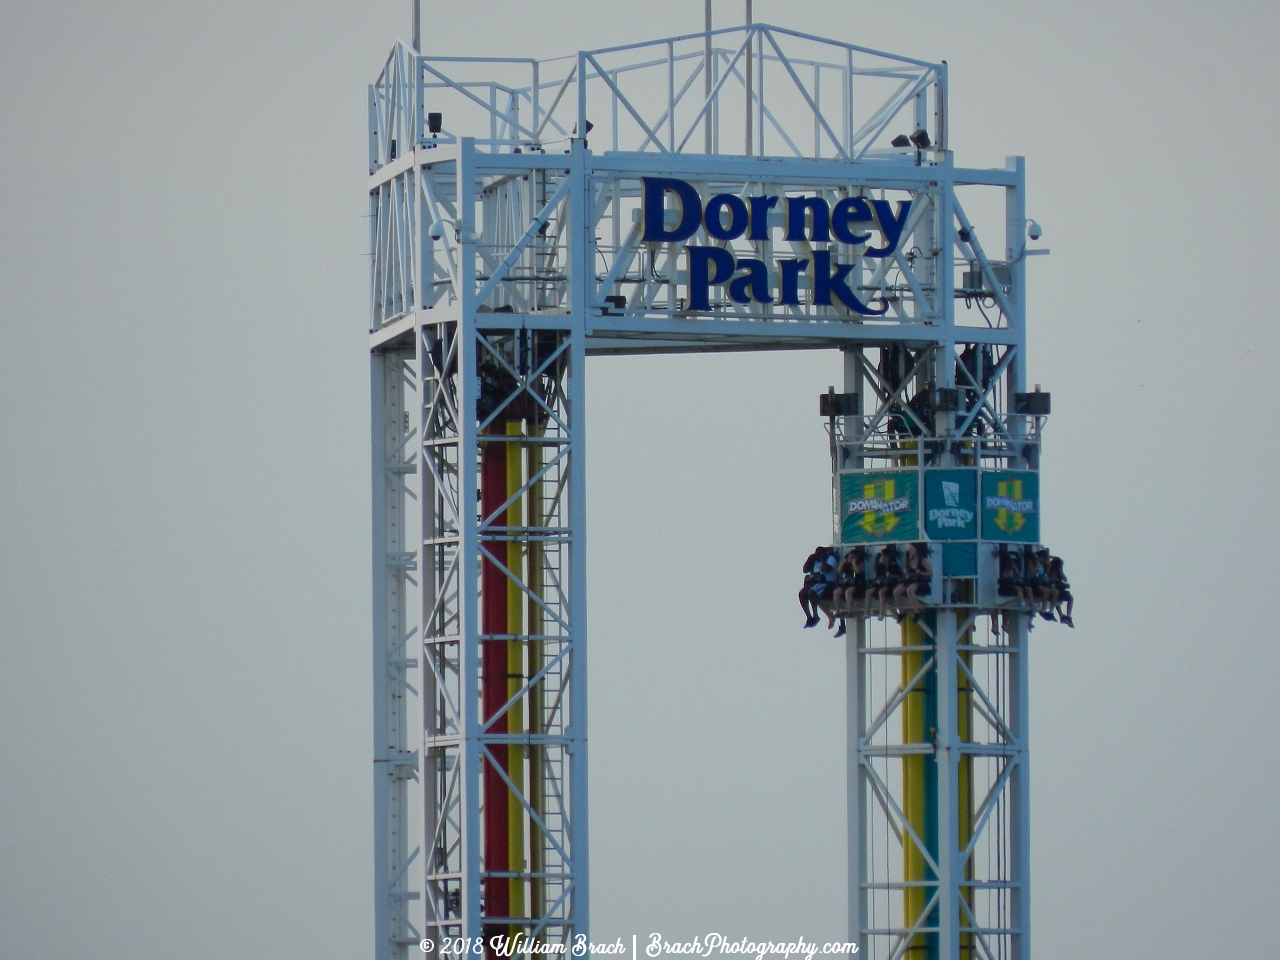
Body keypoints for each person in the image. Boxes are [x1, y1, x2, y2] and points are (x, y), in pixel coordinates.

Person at [829, 547, 867, 637]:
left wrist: (854, 563)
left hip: (857, 584)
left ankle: (850, 611)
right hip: (845, 583)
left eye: (852, 557)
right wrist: (843, 562)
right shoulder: (846, 565)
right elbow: (838, 572)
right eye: (849, 557)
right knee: (836, 592)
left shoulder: (859, 563)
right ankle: (838, 611)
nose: (850, 559)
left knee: (848, 593)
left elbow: (858, 572)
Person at [799, 546, 837, 628]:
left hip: (827, 583)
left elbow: (827, 569)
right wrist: (810, 559)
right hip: (815, 582)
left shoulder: (830, 558)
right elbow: (805, 570)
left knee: (812, 593)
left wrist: (823, 560)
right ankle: (809, 617)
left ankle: (815, 615)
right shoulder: (814, 560)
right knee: (802, 593)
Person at [895, 542, 933, 620]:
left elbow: (931, 573)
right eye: (909, 549)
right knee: (896, 591)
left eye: (912, 549)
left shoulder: (923, 560)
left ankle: (916, 611)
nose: (910, 551)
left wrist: (920, 572)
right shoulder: (909, 560)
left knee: (910, 590)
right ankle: (901, 612)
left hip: (920, 581)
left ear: (917, 550)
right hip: (909, 580)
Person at [870, 545, 903, 619]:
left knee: (881, 592)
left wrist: (891, 576)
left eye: (883, 555)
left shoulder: (894, 565)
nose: (881, 557)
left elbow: (900, 576)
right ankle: (867, 611)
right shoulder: (881, 565)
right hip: (880, 583)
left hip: (890, 584)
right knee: (869, 592)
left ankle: (881, 612)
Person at [1048, 554, 1074, 627]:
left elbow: (1065, 579)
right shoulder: (1050, 571)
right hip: (1052, 590)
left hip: (1059, 590)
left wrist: (1061, 573)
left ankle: (1068, 616)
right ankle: (1061, 615)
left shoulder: (1059, 573)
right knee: (1056, 597)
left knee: (1070, 598)